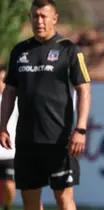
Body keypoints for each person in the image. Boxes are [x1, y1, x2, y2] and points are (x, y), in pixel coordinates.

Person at [0, 0, 91, 210]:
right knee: (30, 203)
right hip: (26, 141)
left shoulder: (69, 49)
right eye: (35, 16)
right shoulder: (19, 51)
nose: (39, 21)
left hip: (59, 141)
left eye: (43, 16)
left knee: (64, 199)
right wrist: (3, 125)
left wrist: (81, 128)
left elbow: (84, 90)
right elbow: (9, 92)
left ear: (55, 18)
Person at [0, 66, 17, 210]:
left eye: (3, 79)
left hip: (9, 153)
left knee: (9, 186)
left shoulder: (15, 100)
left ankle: (7, 206)